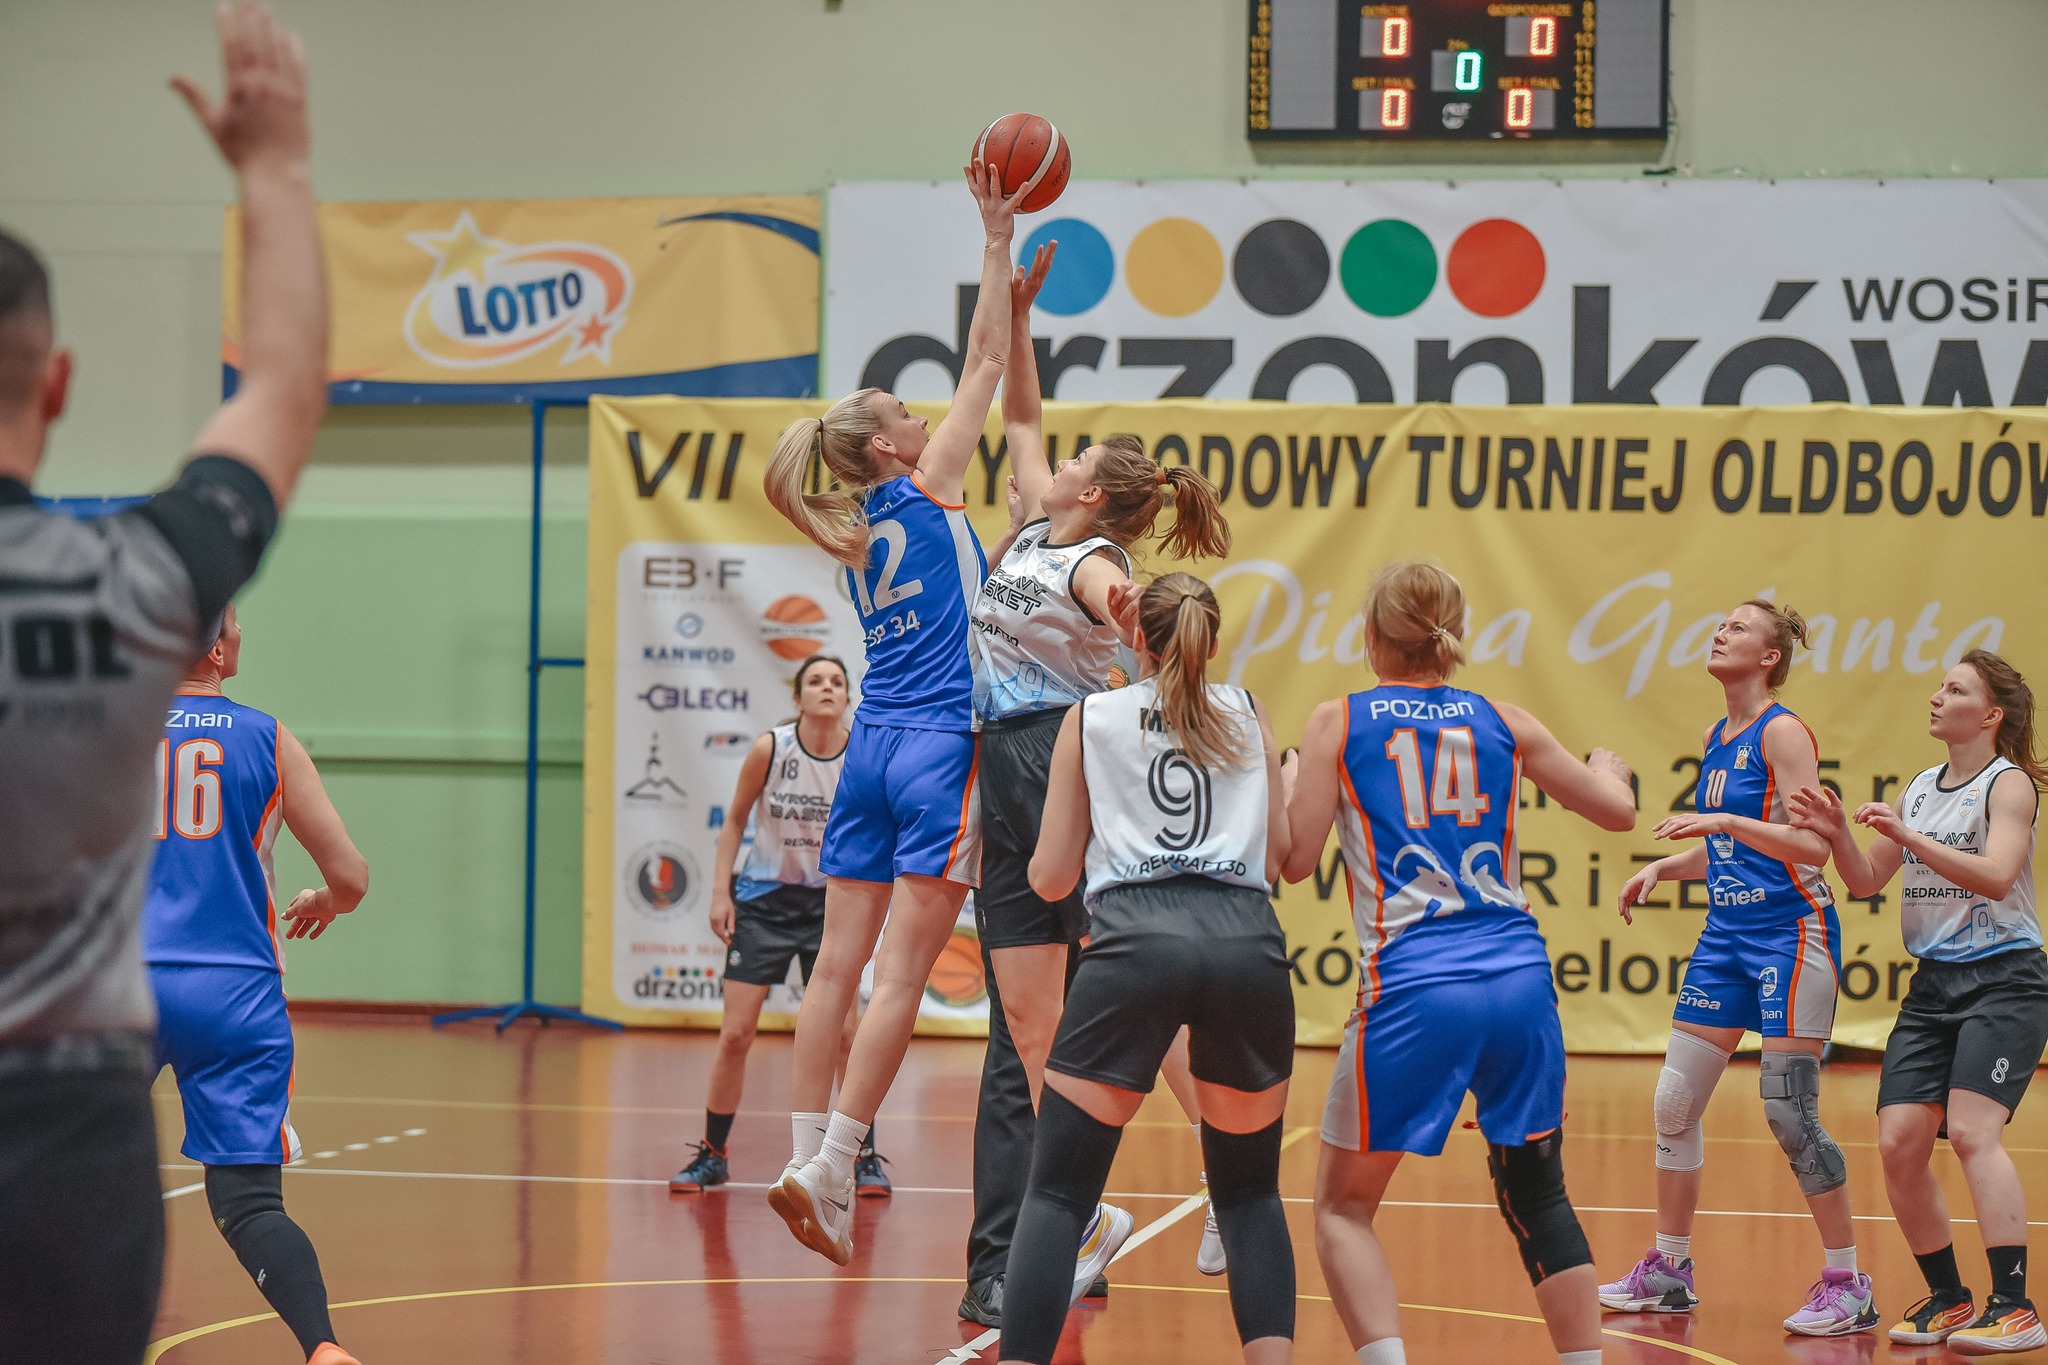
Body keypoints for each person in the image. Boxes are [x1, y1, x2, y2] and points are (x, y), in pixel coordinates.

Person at [0, 5, 325, 1358]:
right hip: (72, 1127)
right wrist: (274, 170)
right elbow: (285, 390)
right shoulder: (134, 585)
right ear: (59, 383)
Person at [959, 243, 1235, 1324]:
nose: (1057, 457)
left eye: (1076, 458)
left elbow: (1156, 634)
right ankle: (1081, 1216)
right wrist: (1021, 318)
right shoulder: (1040, 522)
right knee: (1037, 1021)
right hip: (1008, 762)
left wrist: (1159, 699)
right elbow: (1022, 415)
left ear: (1096, 493)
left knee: (1123, 995)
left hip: (1060, 760)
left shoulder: (1095, 565)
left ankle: (1222, 1166)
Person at [759, 159, 1025, 1265]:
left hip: (867, 748)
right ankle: (835, 1165)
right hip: (938, 749)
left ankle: (801, 1153)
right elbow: (986, 360)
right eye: (907, 415)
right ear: (885, 447)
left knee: (834, 969)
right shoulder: (926, 489)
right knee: (903, 979)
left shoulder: (852, 531)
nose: (924, 418)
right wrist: (996, 240)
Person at [1281, 561, 1636, 1365]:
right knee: (1539, 1192)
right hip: (1519, 980)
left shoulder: (1339, 720)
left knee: (1342, 1208)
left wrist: (1292, 778)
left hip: (1416, 984)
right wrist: (1610, 772)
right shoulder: (1502, 718)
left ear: (1371, 638)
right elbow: (1617, 812)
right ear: (1453, 637)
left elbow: (1295, 860)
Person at [1000, 573, 1296, 1365]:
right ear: (1212, 637)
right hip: (1244, 940)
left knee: (1057, 1192)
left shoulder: (1092, 715)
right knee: (1251, 1194)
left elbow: (1051, 879)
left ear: (1137, 637)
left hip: (1135, 938)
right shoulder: (1248, 710)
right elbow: (1276, 859)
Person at [1602, 600, 1877, 1336]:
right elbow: (1733, 846)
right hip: (1725, 935)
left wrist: (1722, 821)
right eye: (1719, 624)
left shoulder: (1781, 732)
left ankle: (1848, 1283)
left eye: (1738, 628)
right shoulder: (1715, 736)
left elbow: (1812, 847)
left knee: (1789, 1109)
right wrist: (1667, 865)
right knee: (1673, 1101)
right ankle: (1670, 1270)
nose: (1721, 632)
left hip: (1791, 933)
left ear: (1769, 656)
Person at [1788, 650, 2048, 1354]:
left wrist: (1908, 836)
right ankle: (1950, 1297)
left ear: (1990, 714)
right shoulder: (1921, 787)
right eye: (1940, 686)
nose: (1937, 696)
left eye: (1955, 689)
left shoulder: (2008, 784)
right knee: (1900, 1142)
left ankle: (2015, 1306)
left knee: (1971, 1132)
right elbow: (1866, 880)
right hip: (1934, 985)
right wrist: (1839, 831)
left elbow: (1998, 875)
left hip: (2005, 979)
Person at [145, 605, 368, 1365]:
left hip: (119, 988)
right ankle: (323, 1348)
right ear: (215, 649)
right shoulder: (266, 738)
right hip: (236, 992)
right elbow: (350, 877)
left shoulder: (106, 734)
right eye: (235, 624)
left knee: (56, 1176)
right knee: (248, 1204)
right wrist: (326, 900)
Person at [671, 655, 891, 1198]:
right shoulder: (771, 749)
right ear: (797, 698)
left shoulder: (859, 753)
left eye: (836, 682)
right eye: (815, 681)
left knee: (847, 1036)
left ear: (848, 698)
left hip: (830, 906)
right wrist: (720, 892)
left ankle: (860, 1157)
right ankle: (714, 1154)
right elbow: (735, 820)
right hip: (764, 902)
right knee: (735, 1034)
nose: (826, 688)